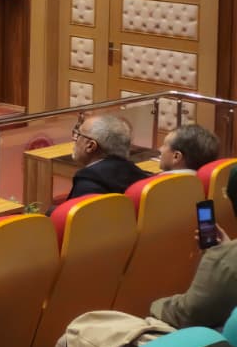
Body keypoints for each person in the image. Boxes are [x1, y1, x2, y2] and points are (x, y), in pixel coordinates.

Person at [149, 168, 237, 329]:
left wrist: (156, 306)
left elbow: (188, 315)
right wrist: (228, 248)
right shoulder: (227, 258)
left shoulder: (225, 261)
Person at [66, 115, 151, 201]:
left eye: (78, 135)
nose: (74, 139)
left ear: (90, 146)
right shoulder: (139, 175)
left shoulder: (87, 183)